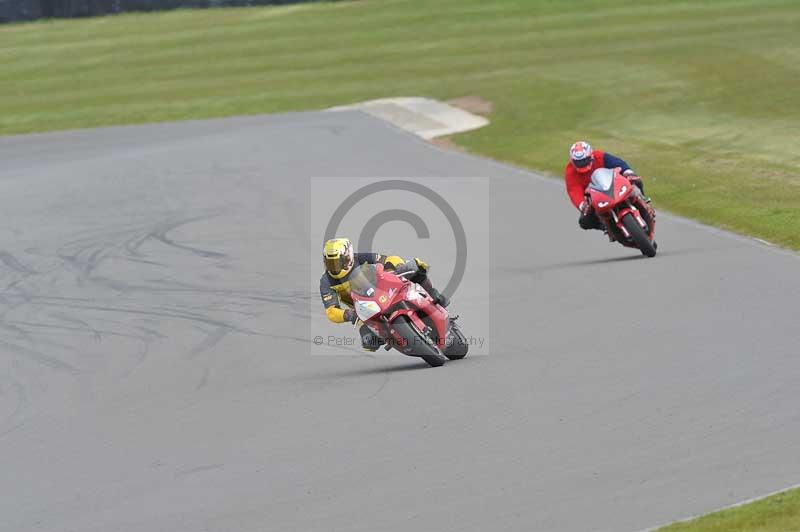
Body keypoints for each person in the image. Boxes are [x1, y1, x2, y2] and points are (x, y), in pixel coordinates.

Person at [319, 238, 449, 351]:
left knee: (415, 267)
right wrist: (348, 315)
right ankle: (395, 339)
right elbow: (331, 311)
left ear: (348, 257)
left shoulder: (360, 258)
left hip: (383, 291)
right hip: (363, 310)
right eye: (330, 263)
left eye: (338, 262)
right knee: (369, 342)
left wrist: (397, 267)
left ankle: (432, 293)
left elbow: (387, 258)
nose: (334, 267)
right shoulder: (326, 282)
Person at [564, 141, 648, 232]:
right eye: (578, 162)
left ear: (591, 156)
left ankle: (643, 199)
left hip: (613, 185)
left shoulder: (599, 156)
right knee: (584, 222)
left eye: (585, 160)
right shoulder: (570, 172)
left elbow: (618, 163)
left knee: (636, 181)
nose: (582, 164)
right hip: (595, 197)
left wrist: (628, 173)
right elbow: (573, 191)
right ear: (572, 161)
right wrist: (582, 205)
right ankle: (605, 227)